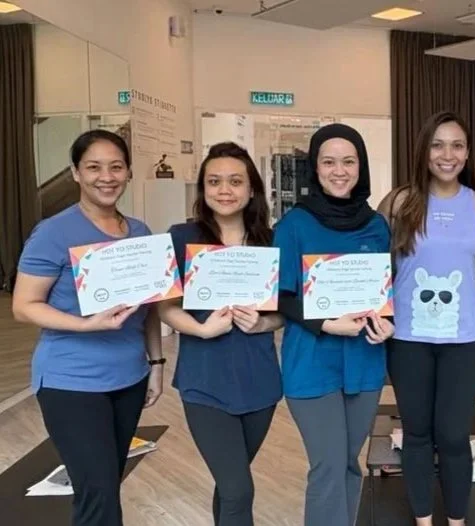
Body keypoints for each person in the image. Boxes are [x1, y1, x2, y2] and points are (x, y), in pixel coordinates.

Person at [12, 129, 164, 526]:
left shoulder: (140, 233)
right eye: (93, 167)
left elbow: (148, 310)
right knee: (98, 491)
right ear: (75, 173)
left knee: (102, 487)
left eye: (116, 167)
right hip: (71, 383)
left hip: (129, 378)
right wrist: (86, 324)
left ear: (128, 172)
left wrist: (157, 365)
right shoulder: (53, 232)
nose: (106, 177)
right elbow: (24, 306)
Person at [272, 123, 395, 526]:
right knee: (327, 465)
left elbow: (385, 290)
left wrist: (387, 322)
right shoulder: (293, 226)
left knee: (349, 463)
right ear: (315, 168)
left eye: (348, 161)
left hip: (364, 362)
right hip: (310, 363)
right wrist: (326, 324)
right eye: (328, 161)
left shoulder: (377, 225)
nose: (338, 170)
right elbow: (282, 296)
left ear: (361, 166)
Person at [378, 111, 475, 526]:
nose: (448, 155)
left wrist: (468, 310)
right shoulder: (398, 202)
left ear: (467, 152)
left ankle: (457, 521)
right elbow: (379, 270)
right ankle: (424, 520)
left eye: (457, 145)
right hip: (408, 339)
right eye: (438, 144)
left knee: (453, 436)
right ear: (424, 150)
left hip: (462, 341)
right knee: (418, 434)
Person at [158, 142, 283, 525]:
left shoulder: (271, 241)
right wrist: (199, 328)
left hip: (260, 383)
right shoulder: (181, 237)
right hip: (204, 381)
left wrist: (264, 323)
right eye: (214, 181)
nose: (224, 190)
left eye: (234, 181)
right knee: (239, 489)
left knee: (230, 484)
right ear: (203, 189)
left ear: (251, 190)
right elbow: (164, 307)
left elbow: (286, 312)